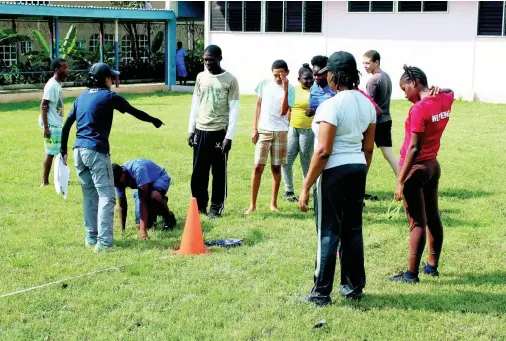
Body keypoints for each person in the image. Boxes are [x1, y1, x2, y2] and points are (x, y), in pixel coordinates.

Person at [297, 51, 376, 305]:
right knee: (353, 231)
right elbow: (369, 147)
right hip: (357, 168)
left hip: (334, 172)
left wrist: (306, 185)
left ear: (334, 76)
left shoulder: (330, 105)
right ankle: (353, 287)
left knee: (328, 233)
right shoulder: (367, 105)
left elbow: (323, 150)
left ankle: (320, 293)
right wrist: (362, 172)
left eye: (327, 73)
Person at [60, 62, 164, 252]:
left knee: (89, 197)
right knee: (106, 197)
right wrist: (154, 121)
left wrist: (63, 150)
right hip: (96, 151)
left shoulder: (81, 98)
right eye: (111, 77)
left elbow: (67, 126)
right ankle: (105, 243)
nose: (113, 80)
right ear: (105, 79)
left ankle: (91, 238)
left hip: (78, 152)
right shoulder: (109, 96)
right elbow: (134, 111)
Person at [388, 65, 453, 283]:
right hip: (433, 165)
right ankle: (432, 266)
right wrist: (437, 89)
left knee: (417, 221)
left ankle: (410, 274)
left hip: (417, 170)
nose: (404, 94)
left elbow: (414, 149)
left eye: (405, 89)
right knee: (433, 216)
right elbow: (450, 90)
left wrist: (400, 180)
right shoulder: (444, 99)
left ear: (414, 83)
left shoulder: (419, 110)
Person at [188, 44, 240, 218]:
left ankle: (215, 208)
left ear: (219, 58)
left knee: (218, 173)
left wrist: (229, 137)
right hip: (201, 130)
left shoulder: (230, 80)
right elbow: (195, 104)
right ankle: (199, 206)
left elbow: (234, 109)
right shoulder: (200, 77)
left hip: (220, 132)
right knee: (198, 173)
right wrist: (191, 130)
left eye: (211, 59)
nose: (208, 63)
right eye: (205, 60)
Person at [245, 60, 295, 214]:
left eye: (281, 74)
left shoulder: (291, 88)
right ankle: (252, 205)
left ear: (287, 72)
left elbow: (284, 111)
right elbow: (258, 105)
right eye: (275, 75)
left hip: (281, 131)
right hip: (264, 130)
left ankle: (273, 203)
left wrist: (285, 90)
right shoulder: (264, 84)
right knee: (258, 166)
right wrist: (255, 128)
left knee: (276, 167)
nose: (279, 78)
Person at [112, 159, 176, 240]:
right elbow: (122, 205)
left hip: (158, 178)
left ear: (123, 172)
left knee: (154, 196)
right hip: (144, 186)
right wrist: (122, 230)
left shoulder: (138, 170)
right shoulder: (117, 179)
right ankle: (155, 209)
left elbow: (143, 201)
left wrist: (143, 231)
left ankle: (169, 217)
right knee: (139, 225)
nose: (118, 184)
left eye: (118, 182)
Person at [363, 50, 398, 180]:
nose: (365, 66)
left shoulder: (373, 80)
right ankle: (404, 180)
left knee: (364, 154)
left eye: (368, 63)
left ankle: (358, 186)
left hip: (376, 121)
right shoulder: (386, 76)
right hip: (386, 119)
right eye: (363, 63)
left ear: (376, 62)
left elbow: (370, 105)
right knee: (389, 154)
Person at [281, 63, 314, 202]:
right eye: (305, 78)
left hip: (308, 130)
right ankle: (288, 190)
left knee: (305, 161)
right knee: (286, 160)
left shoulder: (316, 90)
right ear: (299, 78)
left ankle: (306, 191)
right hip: (293, 128)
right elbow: (289, 108)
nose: (309, 81)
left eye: (310, 78)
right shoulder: (293, 90)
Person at [39, 58, 69, 186]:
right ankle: (44, 181)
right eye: (64, 68)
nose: (67, 70)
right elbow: (43, 105)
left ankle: (60, 178)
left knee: (58, 152)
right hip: (51, 124)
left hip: (56, 123)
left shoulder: (57, 84)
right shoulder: (51, 85)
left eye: (67, 67)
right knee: (51, 152)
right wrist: (46, 127)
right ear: (56, 70)